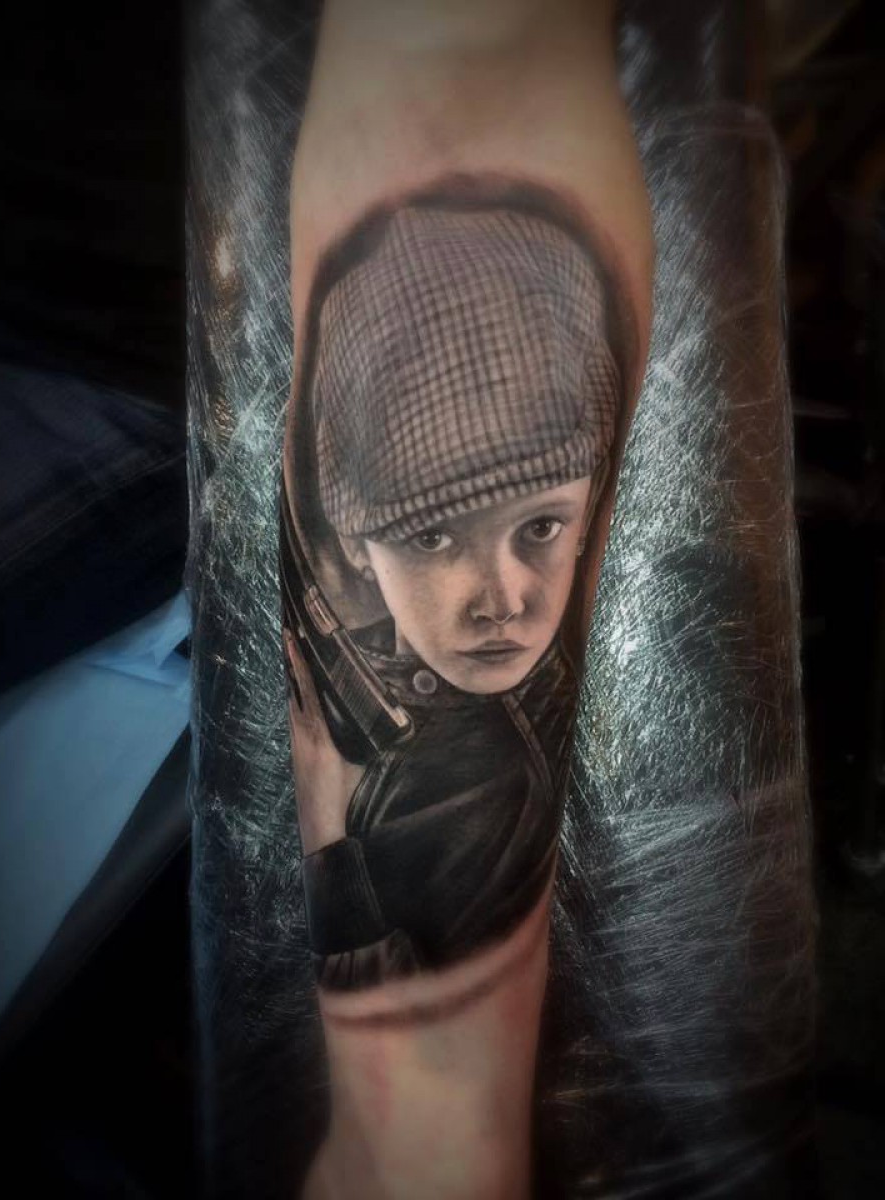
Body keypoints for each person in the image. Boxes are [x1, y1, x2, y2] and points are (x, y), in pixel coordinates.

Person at [283, 191, 625, 990]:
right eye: (433, 537)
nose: (502, 601)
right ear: (357, 543)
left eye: (540, 526)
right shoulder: (345, 670)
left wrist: (325, 836)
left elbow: (400, 1023)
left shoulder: (501, 785)